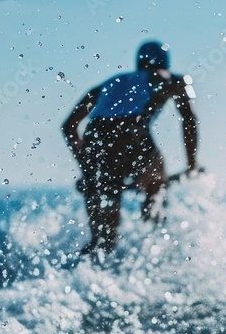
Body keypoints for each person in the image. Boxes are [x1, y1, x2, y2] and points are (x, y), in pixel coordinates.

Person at [62, 40, 198, 256]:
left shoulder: (110, 82)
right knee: (157, 187)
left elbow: (69, 127)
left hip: (95, 138)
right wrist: (192, 166)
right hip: (132, 133)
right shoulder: (168, 78)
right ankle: (153, 240)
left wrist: (87, 168)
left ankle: (94, 264)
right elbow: (189, 120)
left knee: (103, 239)